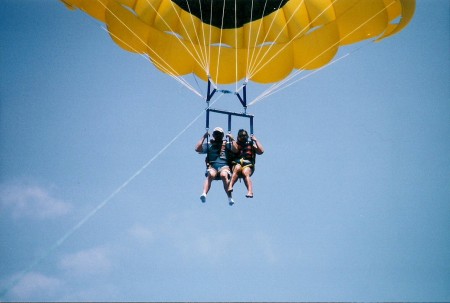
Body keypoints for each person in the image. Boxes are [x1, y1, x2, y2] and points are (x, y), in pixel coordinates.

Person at [195, 127, 235, 205]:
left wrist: (232, 139)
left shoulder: (227, 144)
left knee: (224, 175)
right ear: (213, 135)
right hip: (213, 166)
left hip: (224, 166)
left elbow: (236, 149)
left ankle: (230, 197)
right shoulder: (209, 145)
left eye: (219, 134)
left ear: (222, 135)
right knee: (211, 175)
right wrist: (204, 137)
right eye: (216, 134)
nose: (217, 136)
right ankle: (204, 193)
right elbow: (197, 149)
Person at [227, 129, 264, 198]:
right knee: (237, 168)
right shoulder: (235, 143)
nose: (243, 138)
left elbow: (261, 151)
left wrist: (256, 140)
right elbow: (235, 150)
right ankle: (230, 186)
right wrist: (232, 139)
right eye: (241, 136)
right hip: (237, 164)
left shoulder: (251, 144)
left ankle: (250, 191)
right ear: (238, 137)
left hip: (248, 165)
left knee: (245, 172)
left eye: (244, 136)